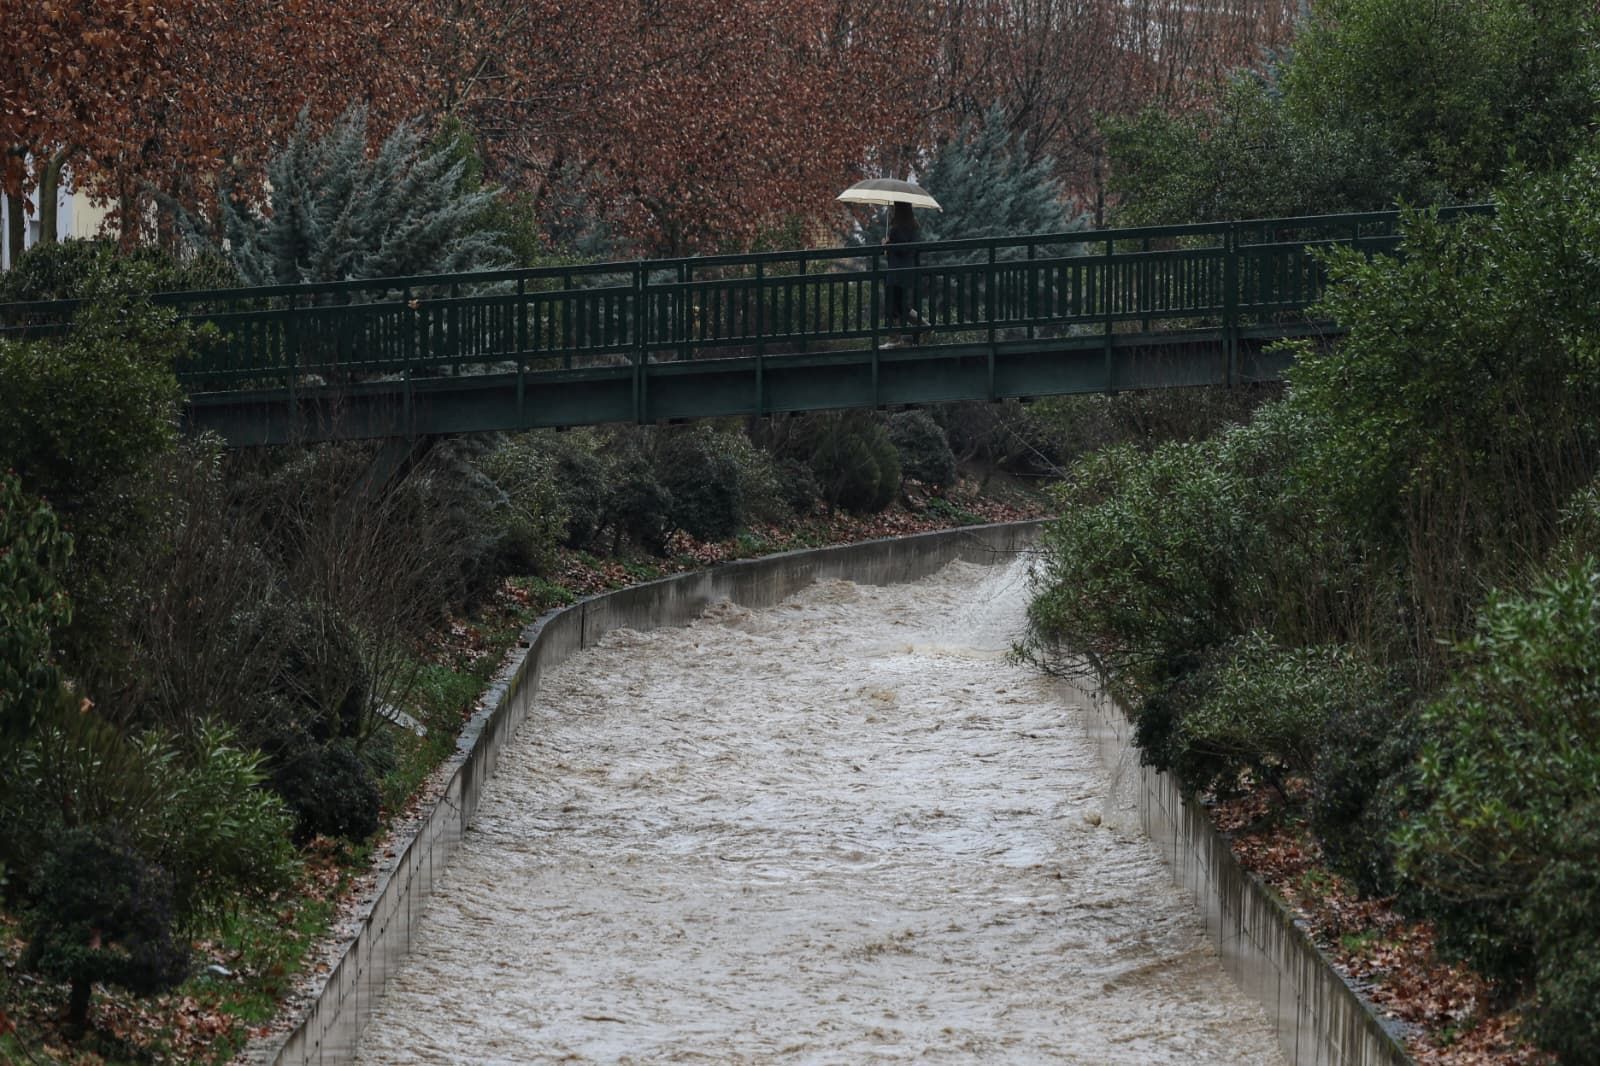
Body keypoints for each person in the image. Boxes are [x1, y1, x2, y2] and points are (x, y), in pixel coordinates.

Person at [883, 201, 924, 344]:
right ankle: (924, 326)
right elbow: (907, 249)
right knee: (902, 306)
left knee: (892, 306)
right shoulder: (913, 227)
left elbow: (899, 249)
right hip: (907, 271)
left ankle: (894, 339)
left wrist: (887, 245)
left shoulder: (896, 230)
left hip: (895, 273)